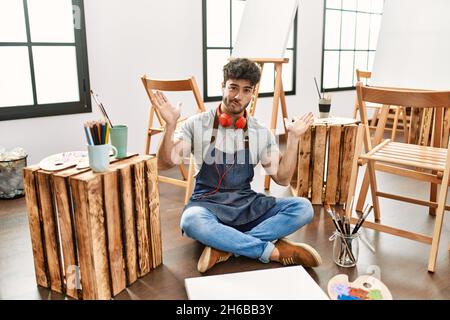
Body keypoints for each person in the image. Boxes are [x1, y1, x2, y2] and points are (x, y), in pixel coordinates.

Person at [155, 58, 321, 273]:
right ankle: (273, 251)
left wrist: (294, 139)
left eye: (246, 90)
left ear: (252, 94)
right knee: (191, 220)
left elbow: (282, 178)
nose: (238, 96)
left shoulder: (259, 132)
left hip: (247, 205)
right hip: (208, 205)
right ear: (222, 86)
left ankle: (224, 248)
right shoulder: (197, 124)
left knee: (303, 208)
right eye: (233, 87)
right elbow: (164, 163)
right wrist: (169, 126)